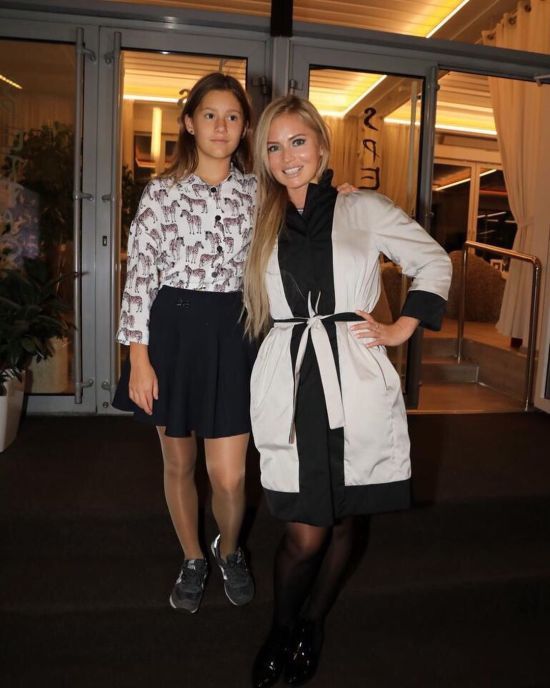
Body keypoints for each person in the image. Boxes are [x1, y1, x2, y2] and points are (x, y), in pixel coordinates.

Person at [244, 95, 452, 687]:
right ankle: (281, 629)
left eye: (298, 141)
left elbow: (433, 262)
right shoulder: (257, 216)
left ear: (322, 146)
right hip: (290, 378)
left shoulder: (363, 208)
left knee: (343, 516)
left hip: (353, 378)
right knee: (305, 530)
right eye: (274, 146)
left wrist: (401, 327)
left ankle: (311, 623)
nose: (287, 156)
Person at [113, 72, 257, 614]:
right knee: (178, 462)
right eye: (210, 115)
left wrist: (342, 196)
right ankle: (193, 557)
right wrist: (139, 358)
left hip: (233, 334)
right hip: (171, 333)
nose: (221, 126)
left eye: (233, 116)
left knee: (230, 475)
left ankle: (230, 548)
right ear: (190, 123)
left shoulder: (258, 193)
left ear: (244, 128)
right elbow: (140, 277)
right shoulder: (161, 192)